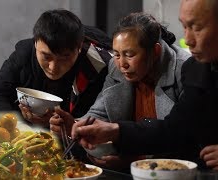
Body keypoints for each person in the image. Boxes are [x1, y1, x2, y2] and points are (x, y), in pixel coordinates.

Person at [71, 0, 218, 179]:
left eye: (197, 28)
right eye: (185, 26)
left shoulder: (187, 65)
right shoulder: (197, 68)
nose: (188, 39)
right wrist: (115, 131)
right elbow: (175, 128)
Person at [50, 12, 190, 172]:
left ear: (155, 51)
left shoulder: (184, 71)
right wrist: (75, 125)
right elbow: (99, 113)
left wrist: (137, 162)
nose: (122, 64)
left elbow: (182, 135)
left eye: (129, 55)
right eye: (117, 54)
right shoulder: (115, 67)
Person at [0, 9, 112, 127]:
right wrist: (19, 124)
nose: (53, 68)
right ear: (36, 43)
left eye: (64, 58)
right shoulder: (24, 53)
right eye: (46, 57)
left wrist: (64, 125)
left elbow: (104, 121)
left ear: (79, 48)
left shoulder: (99, 66)